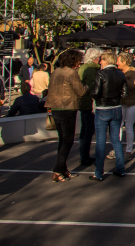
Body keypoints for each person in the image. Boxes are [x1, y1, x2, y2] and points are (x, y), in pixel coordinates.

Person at [44, 49, 88, 182]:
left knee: (62, 139)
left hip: (55, 107)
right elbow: (80, 91)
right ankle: (57, 170)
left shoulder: (56, 72)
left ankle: (63, 169)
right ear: (73, 60)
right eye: (78, 60)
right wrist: (87, 87)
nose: (79, 63)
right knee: (67, 140)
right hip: (68, 108)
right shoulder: (72, 73)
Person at [90, 51, 129, 181]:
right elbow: (125, 93)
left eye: (102, 59)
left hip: (103, 108)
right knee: (116, 140)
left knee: (101, 142)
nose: (100, 61)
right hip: (116, 108)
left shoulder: (101, 74)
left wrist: (89, 91)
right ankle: (120, 169)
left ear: (106, 61)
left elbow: (96, 92)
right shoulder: (121, 74)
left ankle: (98, 173)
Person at [76, 48, 102, 166]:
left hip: (83, 102)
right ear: (95, 58)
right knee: (88, 130)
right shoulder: (91, 69)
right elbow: (92, 86)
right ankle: (85, 156)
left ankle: (83, 154)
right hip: (88, 103)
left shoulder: (82, 68)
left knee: (84, 129)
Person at [118, 52, 135, 161]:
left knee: (128, 126)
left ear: (124, 62)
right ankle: (117, 148)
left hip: (132, 101)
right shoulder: (119, 71)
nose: (117, 63)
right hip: (122, 101)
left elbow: (132, 85)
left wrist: (122, 77)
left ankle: (128, 150)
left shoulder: (132, 71)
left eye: (118, 61)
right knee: (118, 125)